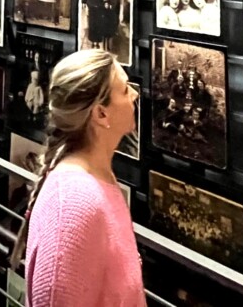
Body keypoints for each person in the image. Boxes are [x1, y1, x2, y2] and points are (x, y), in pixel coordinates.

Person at [10, 50, 144, 307]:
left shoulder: (96, 178)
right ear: (100, 114)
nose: (135, 95)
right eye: (126, 90)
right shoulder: (74, 204)